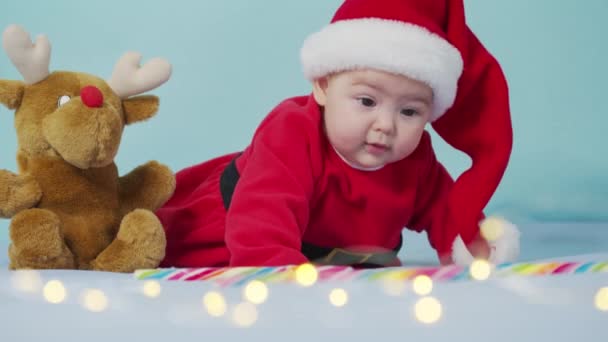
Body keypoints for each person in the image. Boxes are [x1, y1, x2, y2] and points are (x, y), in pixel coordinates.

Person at [156, 0, 520, 268]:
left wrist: (470, 245)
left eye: (409, 111)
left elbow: (444, 207)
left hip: (329, 262)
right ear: (323, 87)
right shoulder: (293, 130)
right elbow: (262, 217)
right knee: (149, 235)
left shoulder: (414, 157)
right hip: (219, 237)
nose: (386, 125)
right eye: (366, 101)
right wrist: (277, 275)